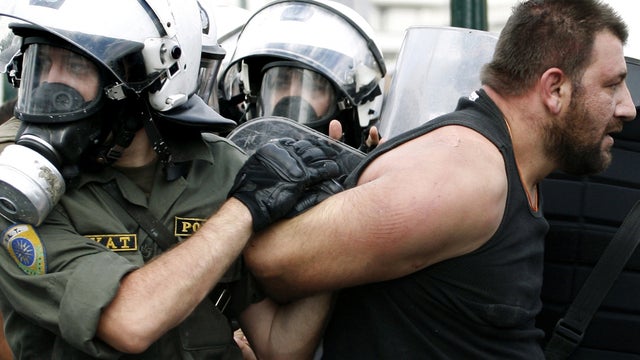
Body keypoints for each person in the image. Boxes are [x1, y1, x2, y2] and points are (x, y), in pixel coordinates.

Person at [242, 0, 637, 358]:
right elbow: (274, 264)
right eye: (612, 84)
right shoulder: (461, 176)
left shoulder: (510, 169)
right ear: (555, 89)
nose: (629, 107)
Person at [0, 1, 339, 358]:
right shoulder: (20, 193)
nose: (50, 85)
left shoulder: (223, 168)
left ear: (146, 77)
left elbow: (279, 345)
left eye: (74, 65)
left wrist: (327, 219)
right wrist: (243, 211)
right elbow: (130, 321)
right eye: (41, 61)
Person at [218, 0, 385, 151]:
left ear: (345, 106)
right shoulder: (227, 163)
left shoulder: (363, 177)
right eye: (281, 83)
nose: (293, 95)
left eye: (314, 88)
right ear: (255, 94)